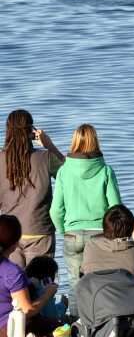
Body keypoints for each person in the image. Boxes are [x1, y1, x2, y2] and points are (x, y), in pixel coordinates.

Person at [49, 124, 121, 314]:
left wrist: (65, 231)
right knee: (102, 284)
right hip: (101, 235)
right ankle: (101, 324)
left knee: (75, 285)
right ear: (95, 142)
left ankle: (76, 328)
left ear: (74, 142)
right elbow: (116, 210)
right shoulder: (106, 171)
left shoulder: (64, 171)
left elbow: (56, 210)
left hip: (72, 234)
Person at [0, 110, 64, 268]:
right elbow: (71, 175)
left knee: (13, 288)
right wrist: (49, 145)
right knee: (40, 285)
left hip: (8, 233)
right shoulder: (46, 158)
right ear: (31, 132)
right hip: (39, 231)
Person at [0, 215, 59, 337]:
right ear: (15, 244)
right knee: (56, 327)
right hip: (6, 330)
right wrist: (48, 293)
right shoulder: (11, 272)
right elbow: (27, 310)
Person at [25, 256, 68, 321]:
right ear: (48, 279)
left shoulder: (26, 286)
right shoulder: (44, 292)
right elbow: (52, 316)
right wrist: (63, 305)